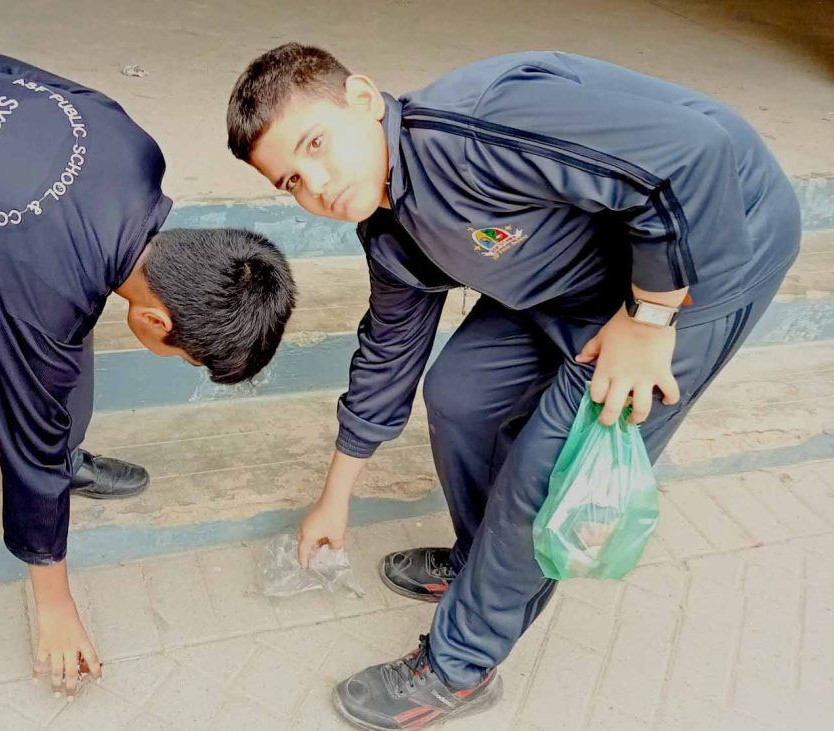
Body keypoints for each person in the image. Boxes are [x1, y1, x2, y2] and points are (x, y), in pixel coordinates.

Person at [227, 43, 799, 729]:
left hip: (708, 250)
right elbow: (388, 355)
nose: (316, 183)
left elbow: (693, 155)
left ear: (364, 99)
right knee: (459, 393)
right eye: (291, 180)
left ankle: (459, 667)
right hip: (587, 269)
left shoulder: (479, 126)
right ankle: (483, 563)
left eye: (316, 143)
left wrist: (649, 319)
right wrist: (335, 498)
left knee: (549, 468)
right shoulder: (390, 232)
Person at [0, 50, 295, 731]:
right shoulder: (46, 291)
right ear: (157, 323)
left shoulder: (134, 153)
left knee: (70, 309)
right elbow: (28, 433)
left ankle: (72, 461)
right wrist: (55, 605)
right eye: (185, 357)